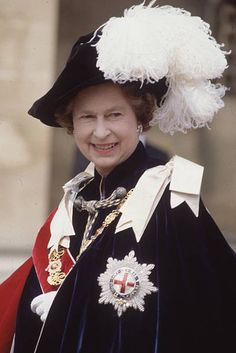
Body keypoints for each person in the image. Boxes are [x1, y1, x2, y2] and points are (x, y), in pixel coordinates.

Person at [0, 2, 236, 353]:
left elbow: (204, 314)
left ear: (139, 119)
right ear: (71, 124)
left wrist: (72, 308)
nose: (100, 132)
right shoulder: (76, 199)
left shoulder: (172, 197)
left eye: (114, 115)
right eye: (86, 117)